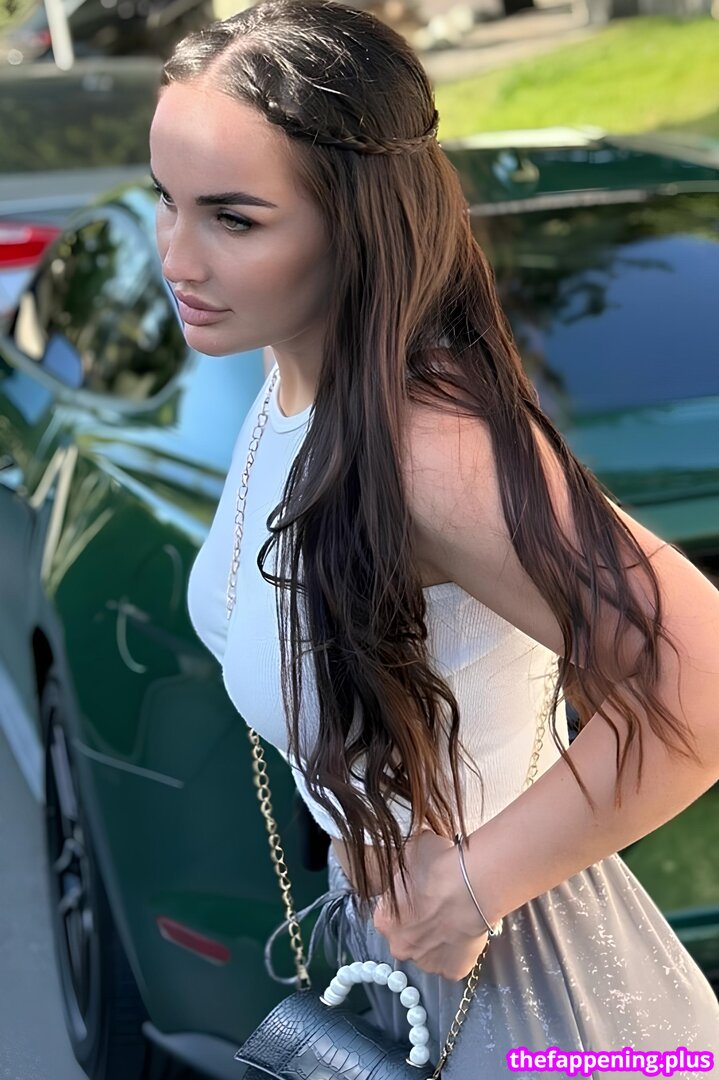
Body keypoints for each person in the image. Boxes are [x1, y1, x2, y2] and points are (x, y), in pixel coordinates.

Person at [148, 0, 719, 1074]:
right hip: (398, 956)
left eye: (233, 219)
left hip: (536, 997)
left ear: (356, 221)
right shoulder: (291, 371)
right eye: (164, 202)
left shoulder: (429, 448)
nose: (176, 257)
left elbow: (701, 671)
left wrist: (470, 888)